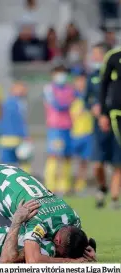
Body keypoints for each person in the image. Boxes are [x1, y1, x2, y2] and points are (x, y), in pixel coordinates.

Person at [0, 164, 94, 263]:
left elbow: (77, 240)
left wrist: (87, 251)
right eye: (59, 252)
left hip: (8, 176)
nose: (57, 253)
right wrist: (69, 262)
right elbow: (33, 261)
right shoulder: (36, 217)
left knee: (16, 245)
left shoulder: (73, 217)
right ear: (58, 240)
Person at [84, 43, 110, 208]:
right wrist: (91, 107)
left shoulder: (115, 75)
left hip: (115, 125)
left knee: (117, 165)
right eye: (93, 54)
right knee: (97, 164)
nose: (94, 58)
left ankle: (114, 196)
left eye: (97, 55)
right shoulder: (92, 76)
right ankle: (102, 187)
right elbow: (86, 99)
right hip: (97, 128)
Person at [43, 65, 75, 194]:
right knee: (54, 155)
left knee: (67, 156)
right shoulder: (49, 89)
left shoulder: (69, 88)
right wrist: (67, 102)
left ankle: (65, 186)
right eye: (58, 73)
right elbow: (58, 105)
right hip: (55, 127)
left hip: (67, 126)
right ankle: (50, 185)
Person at [98, 45, 121, 209]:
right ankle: (113, 195)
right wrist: (103, 113)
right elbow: (103, 85)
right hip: (117, 113)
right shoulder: (113, 56)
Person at [0, 82, 32, 173]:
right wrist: (25, 135)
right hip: (14, 138)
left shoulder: (8, 102)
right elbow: (20, 121)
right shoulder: (18, 103)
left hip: (5, 138)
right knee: (23, 162)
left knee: (7, 164)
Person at [70, 72, 93, 194]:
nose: (81, 83)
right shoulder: (71, 96)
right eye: (78, 80)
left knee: (84, 162)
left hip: (88, 133)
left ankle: (80, 186)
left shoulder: (90, 97)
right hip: (74, 133)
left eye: (83, 81)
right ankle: (67, 185)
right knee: (70, 160)